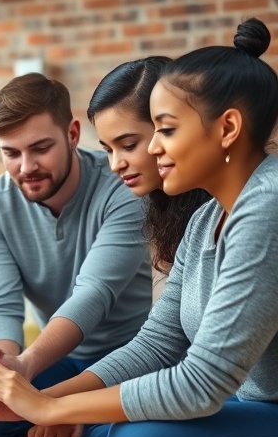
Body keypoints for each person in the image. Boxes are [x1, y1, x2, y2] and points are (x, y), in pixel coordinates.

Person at [0, 18, 278, 437]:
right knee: (109, 435)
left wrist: (48, 407)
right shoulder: (206, 217)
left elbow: (203, 379)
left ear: (227, 129)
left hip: (250, 402)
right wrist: (37, 398)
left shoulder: (267, 204)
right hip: (249, 401)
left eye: (165, 131)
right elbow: (158, 343)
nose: (154, 150)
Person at [0, 72, 152, 437]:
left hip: (128, 357)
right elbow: (0, 303)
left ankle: (76, 413)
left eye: (40, 148)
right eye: (11, 153)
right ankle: (76, 413)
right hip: (57, 360)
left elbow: (92, 295)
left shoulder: (123, 189)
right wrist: (2, 366)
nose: (26, 167)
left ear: (73, 135)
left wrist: (26, 366)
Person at [88, 56, 210, 274]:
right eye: (107, 149)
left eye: (128, 145)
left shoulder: (227, 207)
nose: (115, 165)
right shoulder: (160, 206)